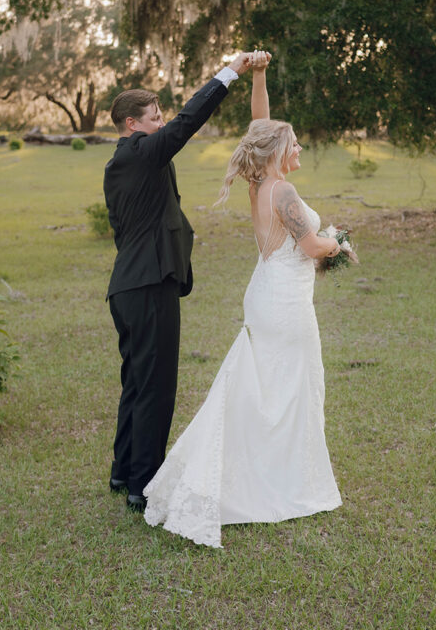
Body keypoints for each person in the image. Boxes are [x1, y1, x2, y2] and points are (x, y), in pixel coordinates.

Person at [143, 54, 352, 547]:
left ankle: (259, 472)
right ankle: (278, 485)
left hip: (265, 294)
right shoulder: (283, 190)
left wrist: (259, 76)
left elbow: (261, 123)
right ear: (280, 150)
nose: (299, 146)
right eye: (294, 141)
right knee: (288, 390)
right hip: (284, 303)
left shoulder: (261, 181)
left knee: (264, 389)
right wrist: (338, 240)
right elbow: (311, 247)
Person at [104, 51, 257, 512]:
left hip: (130, 286)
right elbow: (187, 123)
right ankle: (143, 485)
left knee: (136, 381)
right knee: (156, 386)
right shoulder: (139, 153)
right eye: (154, 118)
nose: (162, 122)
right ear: (133, 124)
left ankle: (122, 471)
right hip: (148, 286)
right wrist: (230, 73)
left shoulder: (125, 161)